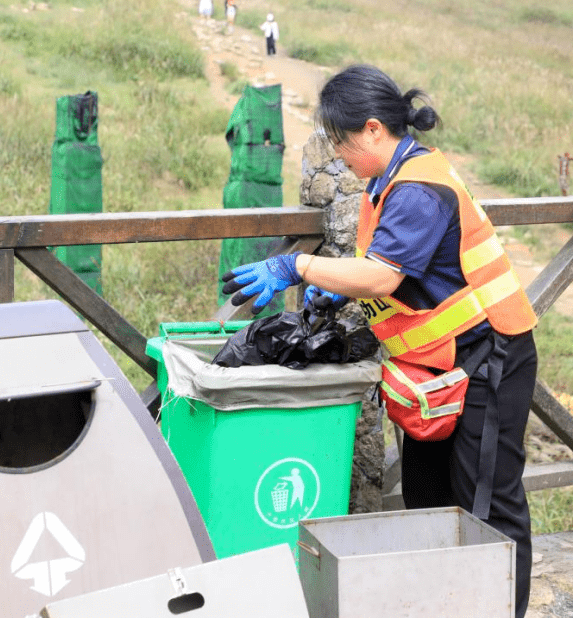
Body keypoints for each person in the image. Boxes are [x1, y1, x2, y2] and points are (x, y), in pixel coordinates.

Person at [222, 64, 539, 617]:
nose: (338, 154)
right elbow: (400, 275)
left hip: (491, 358)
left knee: (486, 506)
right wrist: (341, 294)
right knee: (429, 502)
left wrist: (299, 267)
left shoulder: (418, 189)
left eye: (341, 141)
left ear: (373, 130)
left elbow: (383, 275)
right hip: (437, 367)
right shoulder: (384, 183)